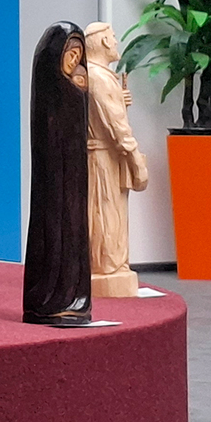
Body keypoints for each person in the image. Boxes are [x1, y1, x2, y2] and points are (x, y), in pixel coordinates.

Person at [24, 21, 93, 326]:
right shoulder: (50, 91)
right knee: (53, 231)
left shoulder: (76, 86)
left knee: (75, 230)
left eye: (78, 55)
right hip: (54, 178)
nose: (74, 61)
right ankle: (49, 299)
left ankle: (76, 297)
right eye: (69, 54)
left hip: (75, 177)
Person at [85, 22, 150, 296]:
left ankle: (113, 265)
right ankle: (107, 266)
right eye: (112, 37)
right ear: (102, 42)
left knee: (113, 211)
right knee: (106, 212)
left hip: (109, 155)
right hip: (104, 157)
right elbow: (115, 123)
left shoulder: (99, 76)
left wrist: (119, 100)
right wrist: (134, 154)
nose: (115, 43)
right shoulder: (98, 77)